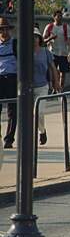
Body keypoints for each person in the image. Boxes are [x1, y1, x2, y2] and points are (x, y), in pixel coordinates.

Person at [33, 27, 61, 145]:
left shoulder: (45, 52)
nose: (34, 40)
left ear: (39, 39)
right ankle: (39, 131)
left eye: (36, 37)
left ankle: (42, 131)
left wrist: (56, 82)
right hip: (29, 87)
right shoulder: (25, 51)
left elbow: (53, 68)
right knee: (31, 114)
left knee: (38, 112)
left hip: (42, 86)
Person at [43, 9, 70, 92]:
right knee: (53, 72)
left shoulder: (66, 27)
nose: (60, 18)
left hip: (63, 53)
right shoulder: (49, 27)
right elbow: (43, 41)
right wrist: (50, 38)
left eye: (61, 16)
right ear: (54, 17)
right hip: (52, 52)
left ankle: (61, 88)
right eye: (58, 16)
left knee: (63, 72)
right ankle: (54, 87)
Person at [0, 17, 18, 149]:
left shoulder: (15, 44)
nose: (4, 32)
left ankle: (9, 139)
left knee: (12, 110)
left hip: (11, 77)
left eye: (6, 29)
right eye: (1, 29)